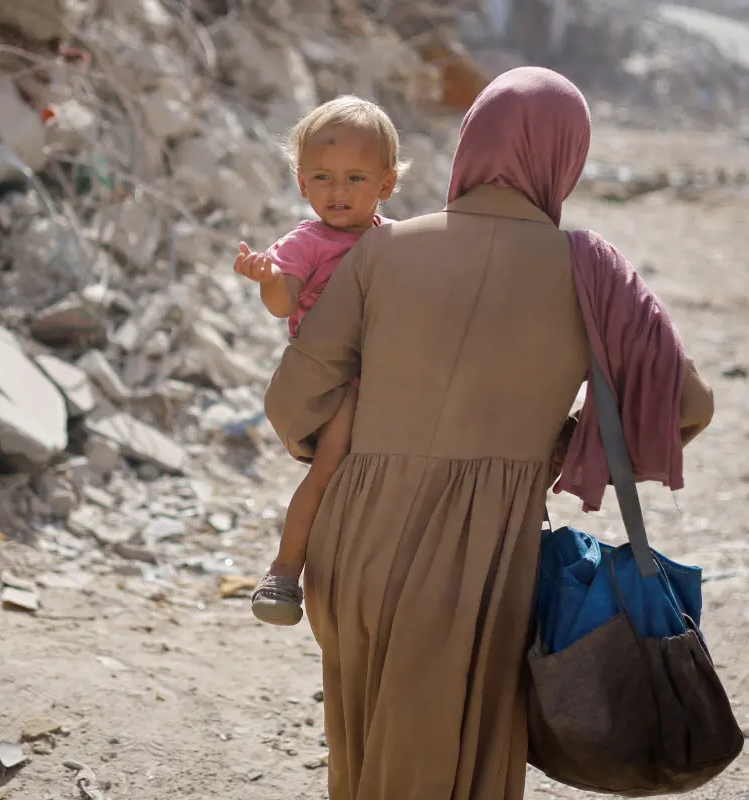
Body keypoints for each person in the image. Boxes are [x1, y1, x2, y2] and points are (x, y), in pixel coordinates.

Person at [263, 67, 715, 800]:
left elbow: (292, 405)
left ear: (473, 142)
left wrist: (355, 451)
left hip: (351, 542)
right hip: (484, 557)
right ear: (566, 155)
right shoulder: (590, 270)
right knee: (459, 761)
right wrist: (557, 453)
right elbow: (685, 406)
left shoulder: (382, 249)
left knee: (362, 758)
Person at [232, 96, 404, 626]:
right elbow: (284, 303)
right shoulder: (307, 243)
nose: (338, 191)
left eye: (356, 178)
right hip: (339, 383)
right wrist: (268, 282)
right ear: (302, 185)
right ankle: (285, 572)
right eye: (323, 177)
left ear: (386, 184)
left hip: (392, 375)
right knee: (329, 468)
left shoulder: (396, 240)